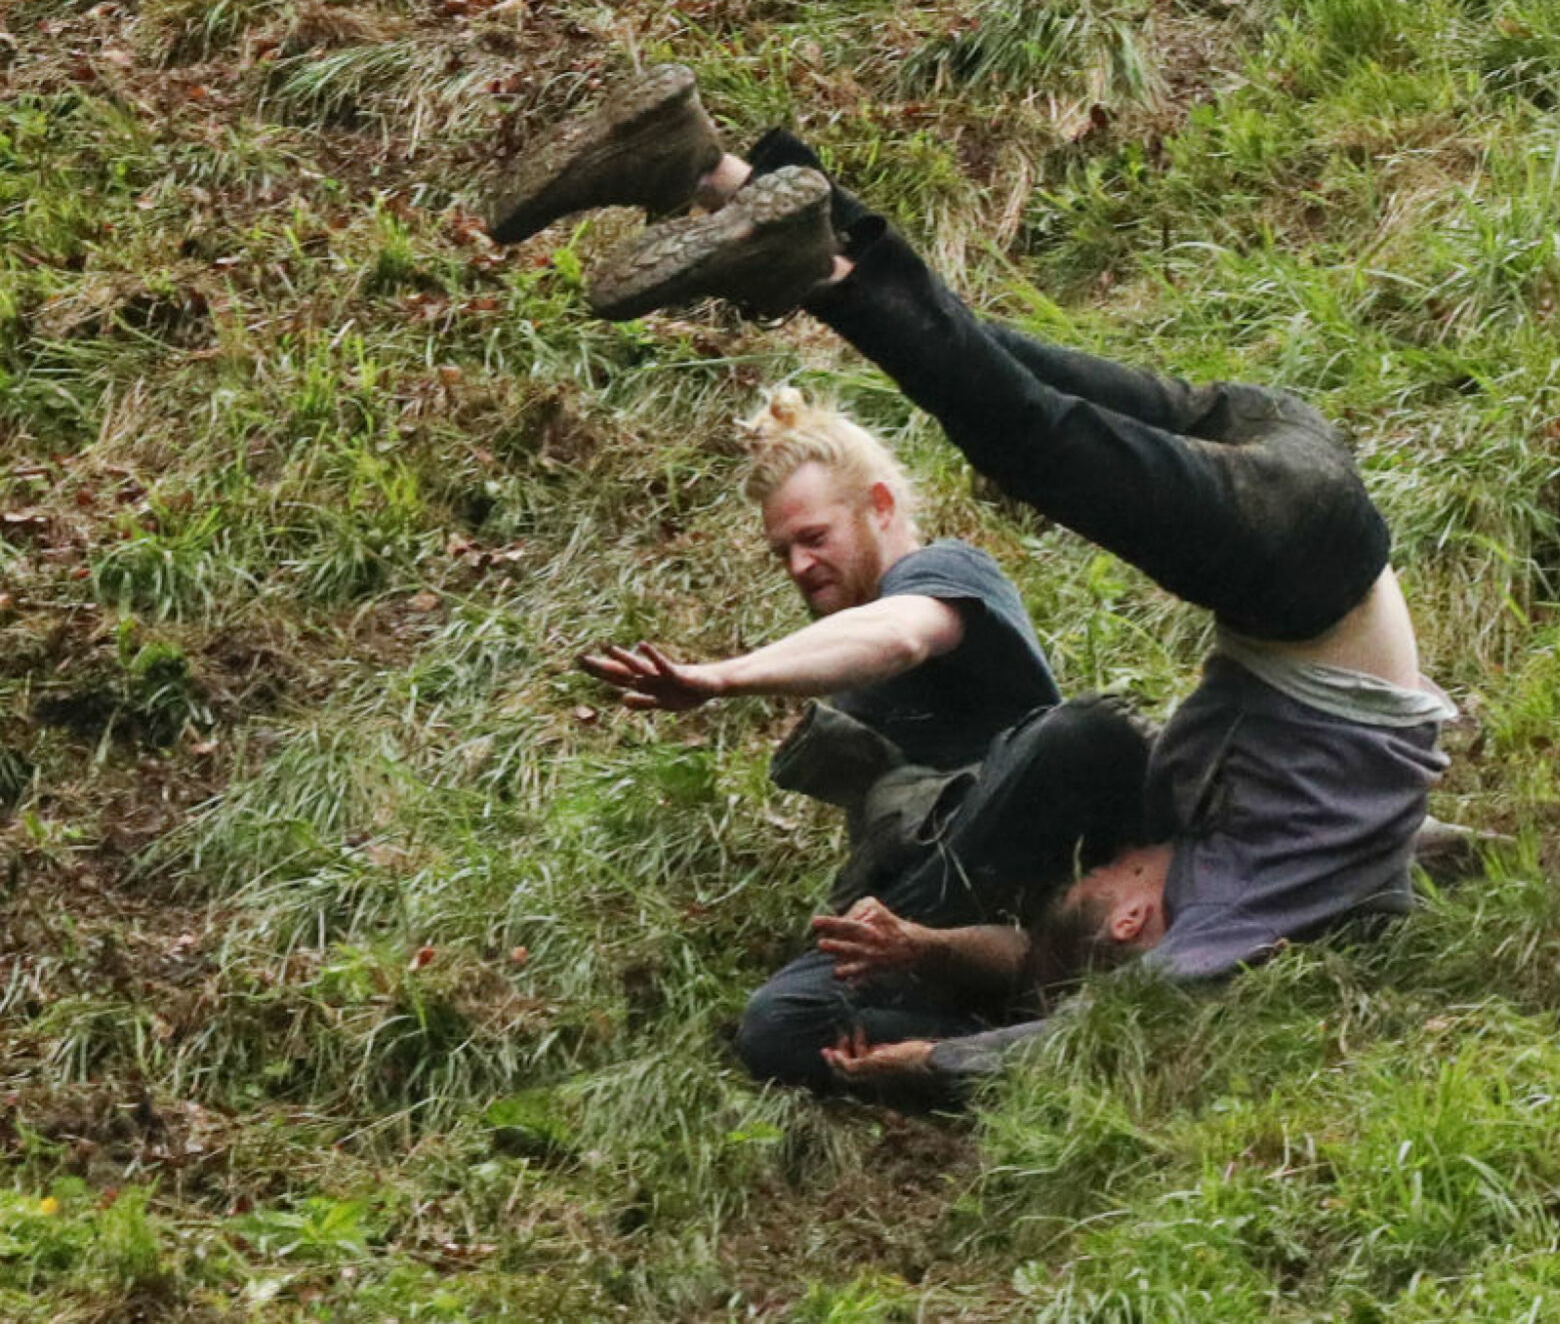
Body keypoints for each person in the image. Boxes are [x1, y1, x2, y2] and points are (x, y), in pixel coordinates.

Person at [500, 65, 1461, 1098]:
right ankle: (807, 261)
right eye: (1101, 876)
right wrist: (939, 1060)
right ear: (1136, 914)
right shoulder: (1232, 912)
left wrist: (928, 1010)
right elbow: (1087, 1031)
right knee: (1022, 431)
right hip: (1297, 559)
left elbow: (1064, 1002)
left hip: (1281, 463)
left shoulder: (1264, 892)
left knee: (999, 373)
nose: (1102, 858)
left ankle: (700, 163)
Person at [575, 382, 1153, 1094]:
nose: (797, 566)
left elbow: (903, 635)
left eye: (814, 539)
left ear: (879, 507)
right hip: (943, 911)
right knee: (779, 1025)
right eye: (781, 551)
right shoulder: (843, 657)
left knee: (1083, 733)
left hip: (1032, 848)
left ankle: (1024, 1018)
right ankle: (1011, 1049)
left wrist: (721, 679)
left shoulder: (941, 572)